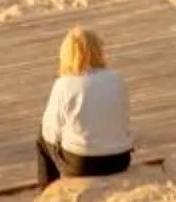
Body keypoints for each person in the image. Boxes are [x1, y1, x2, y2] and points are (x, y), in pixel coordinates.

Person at [36, 25, 133, 190]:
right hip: (120, 159)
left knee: (42, 137)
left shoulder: (64, 84)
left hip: (83, 163)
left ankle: (47, 189)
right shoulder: (116, 78)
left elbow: (50, 131)